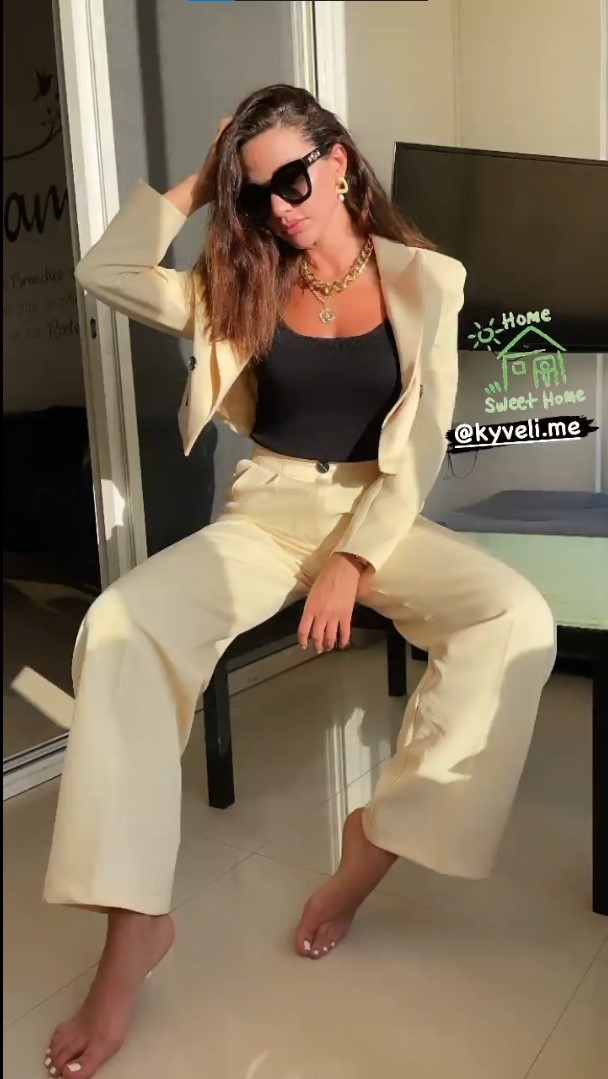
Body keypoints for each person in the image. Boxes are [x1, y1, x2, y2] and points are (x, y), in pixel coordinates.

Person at [43, 84, 556, 1078]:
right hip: (268, 511)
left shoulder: (427, 279)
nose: (278, 206)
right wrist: (205, 179)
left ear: (340, 162)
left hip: (378, 512)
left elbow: (420, 445)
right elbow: (103, 269)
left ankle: (374, 842)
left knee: (513, 617)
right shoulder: (237, 283)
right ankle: (134, 923)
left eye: (291, 178)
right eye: (256, 190)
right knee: (118, 624)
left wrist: (354, 562)